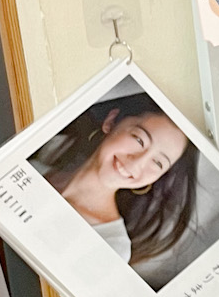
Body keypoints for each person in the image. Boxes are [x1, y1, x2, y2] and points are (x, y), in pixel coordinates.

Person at [32, 95, 196, 276]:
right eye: (139, 140)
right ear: (111, 121)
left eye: (158, 163)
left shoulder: (112, 245)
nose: (136, 163)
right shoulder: (36, 165)